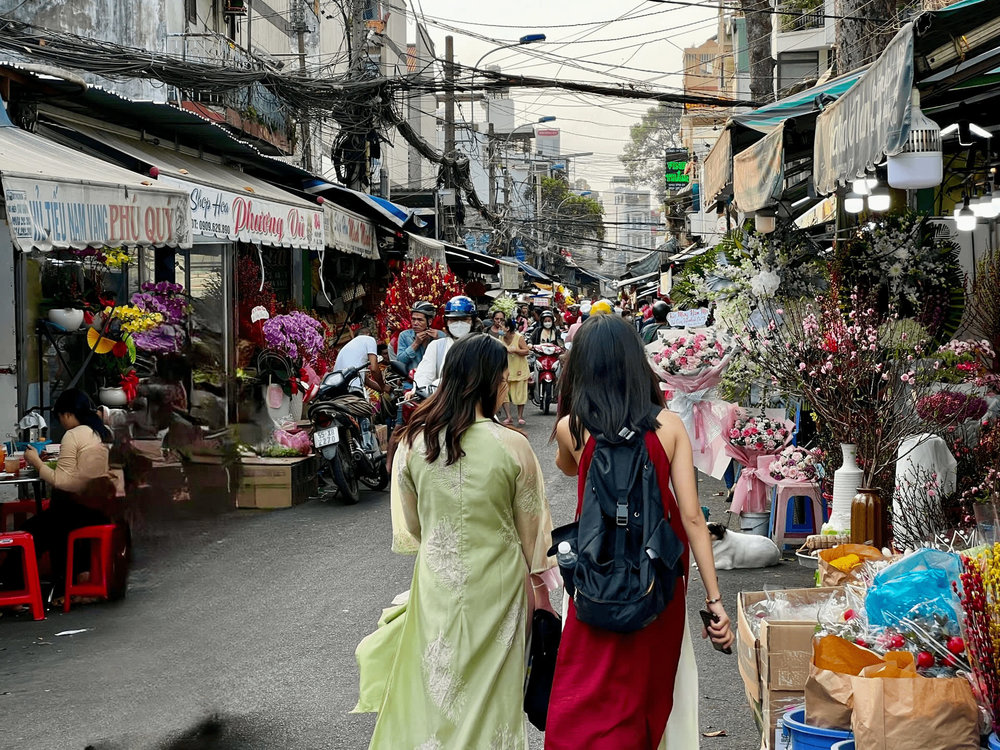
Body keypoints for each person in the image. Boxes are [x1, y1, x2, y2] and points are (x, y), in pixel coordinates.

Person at [356, 335, 557, 749]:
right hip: (500, 588)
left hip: (438, 583)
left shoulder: (415, 442)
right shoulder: (513, 446)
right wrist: (543, 596)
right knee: (492, 693)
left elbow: (413, 525)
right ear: (489, 382)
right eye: (503, 379)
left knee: (439, 689)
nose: (505, 386)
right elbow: (533, 535)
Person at [545, 314, 734, 750]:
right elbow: (691, 519)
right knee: (652, 691)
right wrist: (714, 601)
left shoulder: (571, 428)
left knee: (590, 692)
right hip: (658, 581)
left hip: (595, 576)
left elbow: (569, 467)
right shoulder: (669, 426)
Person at [1, 389, 116, 600]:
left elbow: (63, 481)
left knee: (30, 531)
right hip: (101, 508)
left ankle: (13, 590)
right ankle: (76, 581)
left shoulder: (73, 434)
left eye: (60, 417)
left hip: (79, 512)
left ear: (67, 414)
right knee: (54, 521)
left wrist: (35, 461)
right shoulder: (102, 432)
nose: (62, 422)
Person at [413, 295, 477, 390]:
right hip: (443, 400)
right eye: (454, 320)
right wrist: (418, 390)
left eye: (464, 319)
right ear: (447, 322)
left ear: (473, 321)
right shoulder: (437, 346)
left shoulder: (482, 346)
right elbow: (424, 374)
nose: (459, 324)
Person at [333, 320, 389, 395]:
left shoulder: (348, 346)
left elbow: (366, 380)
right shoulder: (369, 339)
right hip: (352, 388)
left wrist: (383, 389)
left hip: (337, 389)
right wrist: (383, 386)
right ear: (368, 334)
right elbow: (374, 368)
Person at [395, 301, 444, 372]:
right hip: (411, 380)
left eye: (420, 320)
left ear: (429, 322)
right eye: (413, 319)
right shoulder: (404, 336)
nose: (415, 323)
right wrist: (416, 344)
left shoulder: (440, 335)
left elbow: (448, 359)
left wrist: (438, 341)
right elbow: (400, 360)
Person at [501, 317, 531, 426]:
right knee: (504, 393)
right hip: (506, 369)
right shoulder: (501, 337)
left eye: (502, 326)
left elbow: (526, 351)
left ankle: (520, 416)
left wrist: (516, 350)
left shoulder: (519, 337)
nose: (500, 328)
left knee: (520, 393)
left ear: (508, 328)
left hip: (519, 369)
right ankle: (508, 416)